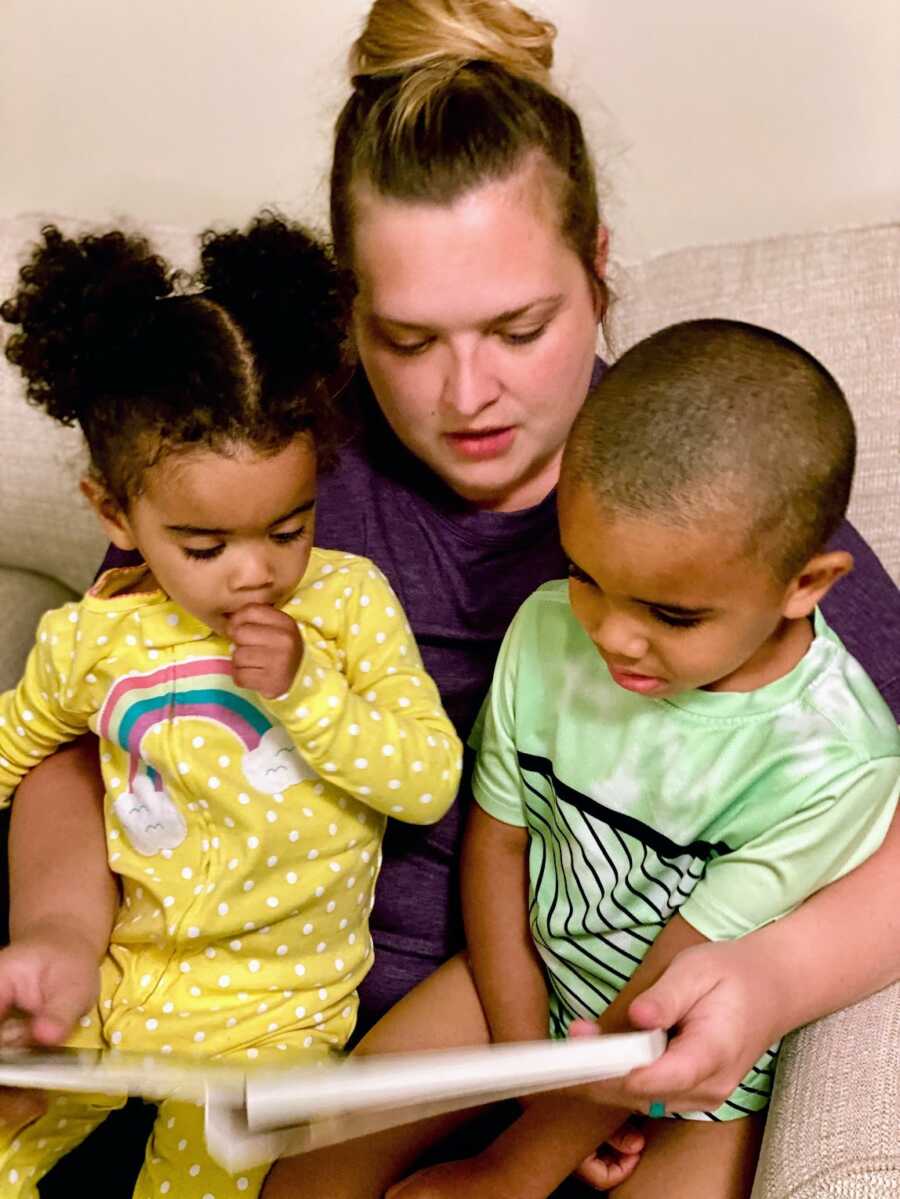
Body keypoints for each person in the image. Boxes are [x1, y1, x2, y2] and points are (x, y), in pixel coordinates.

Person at [5, 0, 899, 1193]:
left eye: (519, 327)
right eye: (409, 338)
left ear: (598, 268)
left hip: (590, 1010)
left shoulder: (718, 504)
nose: (468, 393)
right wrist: (60, 928)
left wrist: (772, 980)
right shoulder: (275, 467)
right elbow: (88, 719)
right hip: (226, 1018)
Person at [377, 320, 900, 1199]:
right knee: (315, 1161)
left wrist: (514, 1164)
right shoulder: (550, 627)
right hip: (528, 972)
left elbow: (675, 982)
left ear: (804, 584)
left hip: (697, 1062)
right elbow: (499, 845)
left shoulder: (833, 760)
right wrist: (524, 1057)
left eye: (672, 614)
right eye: (586, 573)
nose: (611, 634)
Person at [0, 214, 461, 1199]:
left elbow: (428, 782)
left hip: (276, 1018)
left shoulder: (345, 606)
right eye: (204, 545)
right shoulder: (94, 636)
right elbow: (15, 747)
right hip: (115, 984)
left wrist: (309, 695)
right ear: (115, 513)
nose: (254, 572)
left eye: (286, 528)